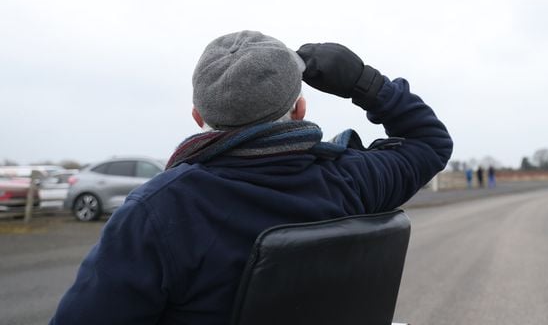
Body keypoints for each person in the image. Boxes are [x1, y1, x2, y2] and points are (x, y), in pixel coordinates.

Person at [51, 30, 452, 324]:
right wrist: (364, 81)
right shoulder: (350, 179)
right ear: (300, 108)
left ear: (198, 119)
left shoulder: (157, 213)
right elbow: (430, 142)